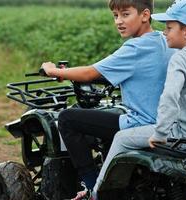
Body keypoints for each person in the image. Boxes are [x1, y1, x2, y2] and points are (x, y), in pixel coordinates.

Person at [42, 0, 175, 199]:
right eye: (115, 15)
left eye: (125, 14)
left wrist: (54, 71)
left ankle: (90, 184)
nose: (119, 21)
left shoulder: (135, 48)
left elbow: (89, 73)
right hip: (170, 121)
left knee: (68, 118)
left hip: (142, 122)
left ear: (145, 15)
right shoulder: (166, 40)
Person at [93, 0, 186, 199]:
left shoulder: (180, 58)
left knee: (121, 138)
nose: (164, 32)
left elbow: (170, 98)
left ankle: (96, 193)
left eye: (169, 27)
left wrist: (160, 133)